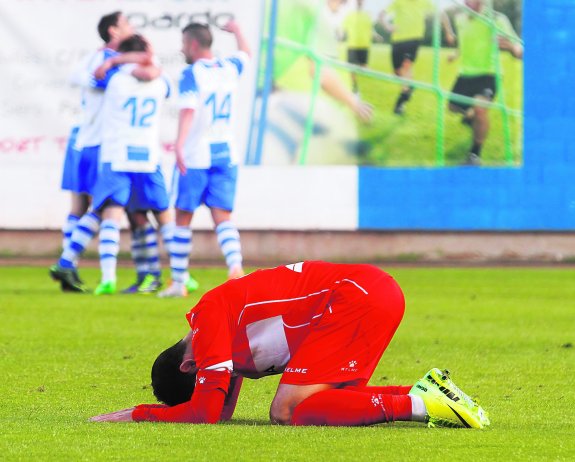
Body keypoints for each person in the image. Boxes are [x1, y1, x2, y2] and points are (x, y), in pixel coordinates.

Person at [91, 261, 490, 428]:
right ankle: (427, 393)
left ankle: (422, 406)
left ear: (188, 368)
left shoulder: (207, 320)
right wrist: (184, 408)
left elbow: (207, 411)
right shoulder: (222, 345)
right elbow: (221, 409)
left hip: (355, 295)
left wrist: (143, 414)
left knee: (286, 410)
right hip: (370, 291)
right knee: (323, 402)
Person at [49, 11, 154, 292]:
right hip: (99, 144)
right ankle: (90, 271)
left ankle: (69, 267)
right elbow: (149, 65)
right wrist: (114, 60)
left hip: (82, 139)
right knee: (109, 208)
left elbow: (75, 77)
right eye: (126, 24)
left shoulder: (101, 58)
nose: (132, 28)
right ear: (113, 31)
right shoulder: (110, 65)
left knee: (81, 207)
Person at [158, 22, 250, 298]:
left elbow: (188, 111)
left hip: (198, 153)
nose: (182, 48)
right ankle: (236, 268)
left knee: (183, 216)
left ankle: (178, 282)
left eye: (184, 44)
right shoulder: (229, 66)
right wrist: (236, 30)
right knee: (222, 216)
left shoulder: (191, 73)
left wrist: (179, 146)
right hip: (226, 153)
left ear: (193, 44)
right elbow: (246, 53)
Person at [89, 34, 174, 295]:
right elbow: (152, 68)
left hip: (119, 156)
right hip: (148, 158)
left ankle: (108, 277)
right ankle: (174, 275)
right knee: (157, 216)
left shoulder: (115, 78)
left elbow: (96, 75)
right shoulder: (161, 80)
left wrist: (115, 59)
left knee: (112, 214)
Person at [448, 0, 523, 166]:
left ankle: (474, 155)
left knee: (480, 109)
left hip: (489, 74)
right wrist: (455, 54)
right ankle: (470, 116)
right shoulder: (459, 18)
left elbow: (519, 48)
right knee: (452, 107)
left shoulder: (496, 19)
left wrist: (512, 48)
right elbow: (464, 41)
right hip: (465, 74)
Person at [379, 0, 455, 115]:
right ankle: (410, 87)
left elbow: (441, 13)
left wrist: (448, 31)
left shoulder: (424, 2)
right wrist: (387, 26)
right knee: (397, 73)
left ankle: (400, 102)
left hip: (413, 40)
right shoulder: (398, 2)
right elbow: (381, 14)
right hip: (397, 41)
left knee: (406, 66)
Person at [341, 0, 373, 95]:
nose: (360, 2)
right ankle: (354, 86)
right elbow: (343, 29)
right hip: (352, 45)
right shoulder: (349, 15)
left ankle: (361, 86)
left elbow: (370, 29)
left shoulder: (367, 15)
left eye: (361, 1)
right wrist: (340, 37)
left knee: (364, 67)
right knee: (351, 67)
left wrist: (375, 36)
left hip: (364, 45)